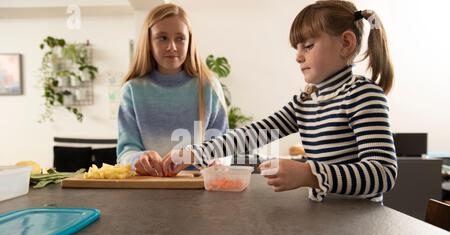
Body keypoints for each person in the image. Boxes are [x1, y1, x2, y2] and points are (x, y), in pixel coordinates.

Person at [162, 0, 398, 202]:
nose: (298, 56)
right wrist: (193, 153)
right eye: (297, 48)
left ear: (346, 43)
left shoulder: (363, 96)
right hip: (324, 218)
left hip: (360, 227)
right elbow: (252, 134)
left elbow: (382, 173)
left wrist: (310, 175)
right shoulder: (305, 102)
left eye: (308, 45)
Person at [117, 3, 228, 176]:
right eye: (162, 38)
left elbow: (222, 147)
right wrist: (137, 159)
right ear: (148, 42)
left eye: (180, 38)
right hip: (148, 190)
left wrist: (216, 160)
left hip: (199, 190)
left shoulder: (209, 86)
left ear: (189, 41)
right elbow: (125, 152)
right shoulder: (132, 90)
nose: (172, 47)